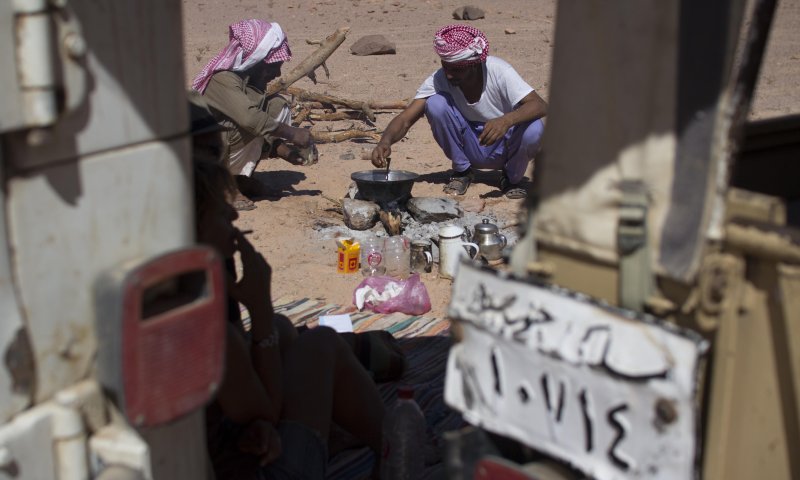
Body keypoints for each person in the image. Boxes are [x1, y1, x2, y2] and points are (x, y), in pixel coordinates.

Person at [194, 156, 387, 479]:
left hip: (223, 447)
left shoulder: (172, 294)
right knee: (321, 343)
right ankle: (394, 449)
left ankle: (354, 432)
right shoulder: (206, 333)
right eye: (220, 211)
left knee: (285, 330)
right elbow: (267, 411)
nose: (234, 214)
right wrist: (260, 310)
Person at [370, 24, 547, 199]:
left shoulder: (499, 71)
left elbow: (540, 105)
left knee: (535, 128)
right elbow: (405, 119)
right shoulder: (439, 79)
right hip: (470, 144)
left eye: (456, 69)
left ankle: (511, 178)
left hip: (505, 145)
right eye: (446, 67)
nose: (449, 75)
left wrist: (506, 121)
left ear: (474, 64)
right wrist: (385, 142)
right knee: (435, 104)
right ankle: (462, 171)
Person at [193, 19, 318, 211]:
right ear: (257, 61)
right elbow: (250, 119)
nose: (277, 73)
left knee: (276, 106)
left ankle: (238, 179)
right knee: (249, 122)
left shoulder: (248, 81)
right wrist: (292, 134)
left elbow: (262, 120)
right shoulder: (222, 79)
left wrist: (285, 151)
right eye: (273, 66)